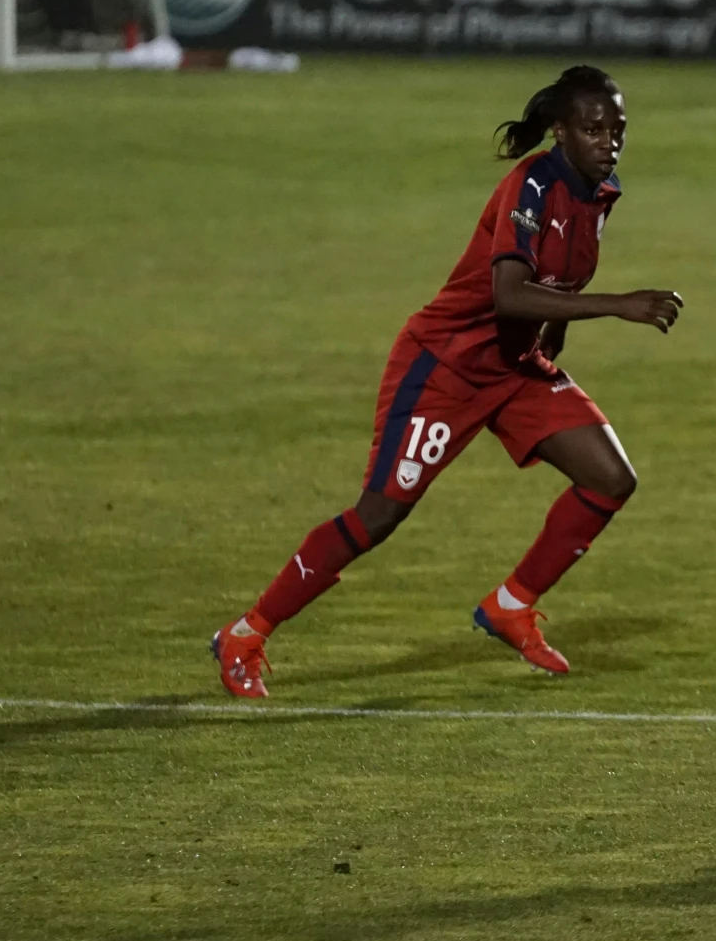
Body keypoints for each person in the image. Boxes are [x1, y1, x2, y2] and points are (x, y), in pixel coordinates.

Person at [210, 67, 685, 696]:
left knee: (610, 478)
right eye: (595, 129)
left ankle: (511, 606)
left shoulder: (600, 191)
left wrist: (557, 338)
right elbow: (510, 293)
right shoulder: (532, 185)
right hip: (446, 366)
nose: (610, 142)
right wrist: (617, 304)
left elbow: (557, 282)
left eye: (618, 130)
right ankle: (246, 632)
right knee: (378, 515)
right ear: (561, 131)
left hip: (515, 370)